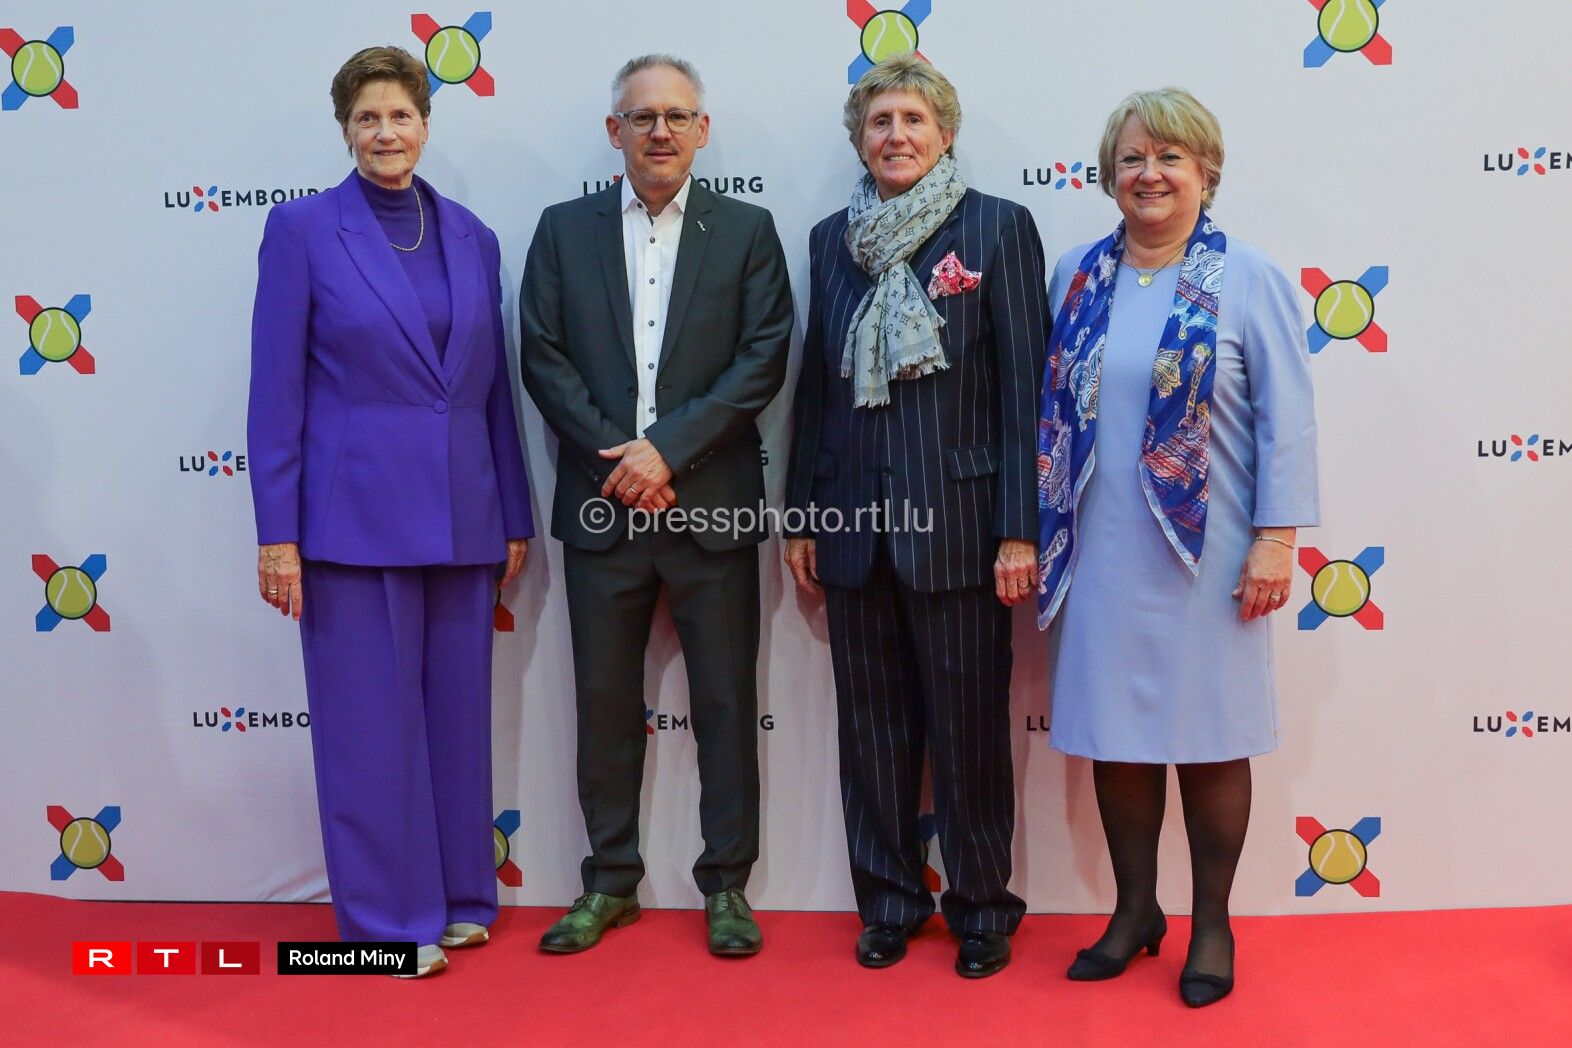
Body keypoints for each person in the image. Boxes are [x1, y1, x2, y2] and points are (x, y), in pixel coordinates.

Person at [247, 45, 533, 979]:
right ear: (345, 130)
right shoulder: (302, 230)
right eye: (366, 118)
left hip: (463, 518)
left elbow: (491, 390)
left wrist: (513, 512)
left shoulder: (473, 236)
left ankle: (458, 898)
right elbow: (275, 392)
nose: (384, 133)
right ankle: (382, 923)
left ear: (425, 125)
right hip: (351, 524)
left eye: (399, 115)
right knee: (369, 732)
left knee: (456, 720)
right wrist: (278, 536)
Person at [1036, 88, 1320, 1007]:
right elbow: (1048, 418)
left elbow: (1286, 420)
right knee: (1116, 739)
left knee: (1209, 739)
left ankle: (1211, 925)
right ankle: (1133, 912)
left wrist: (1276, 539)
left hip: (1211, 553)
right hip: (1098, 549)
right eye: (1131, 158)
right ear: (1108, 174)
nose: (1149, 174)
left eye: (1169, 158)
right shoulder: (1076, 275)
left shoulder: (1249, 278)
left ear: (1206, 172)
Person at [519, 54, 793, 957]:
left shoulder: (748, 231)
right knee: (604, 707)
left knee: (726, 704)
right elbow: (543, 356)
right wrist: (622, 460)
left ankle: (728, 885)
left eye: (677, 116)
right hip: (603, 508)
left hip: (710, 507)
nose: (661, 131)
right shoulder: (562, 231)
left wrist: (666, 450)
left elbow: (763, 355)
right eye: (642, 117)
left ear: (703, 130)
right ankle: (609, 882)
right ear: (616, 132)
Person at [783, 54, 1048, 979]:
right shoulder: (830, 239)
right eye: (879, 121)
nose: (895, 135)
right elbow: (817, 388)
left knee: (970, 731)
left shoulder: (998, 227)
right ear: (860, 139)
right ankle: (890, 901)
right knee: (871, 732)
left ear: (945, 133)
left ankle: (982, 907)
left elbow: (1025, 392)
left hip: (964, 530)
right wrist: (803, 515)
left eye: (912, 120)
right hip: (853, 526)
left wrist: (1021, 526)